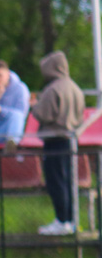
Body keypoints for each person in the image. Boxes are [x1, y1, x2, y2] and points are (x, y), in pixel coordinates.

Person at [32, 51, 85, 235]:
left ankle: (61, 221)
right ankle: (71, 219)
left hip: (54, 140)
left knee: (56, 181)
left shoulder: (53, 88)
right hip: (70, 140)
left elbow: (44, 114)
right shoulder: (74, 87)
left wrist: (34, 105)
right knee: (69, 181)